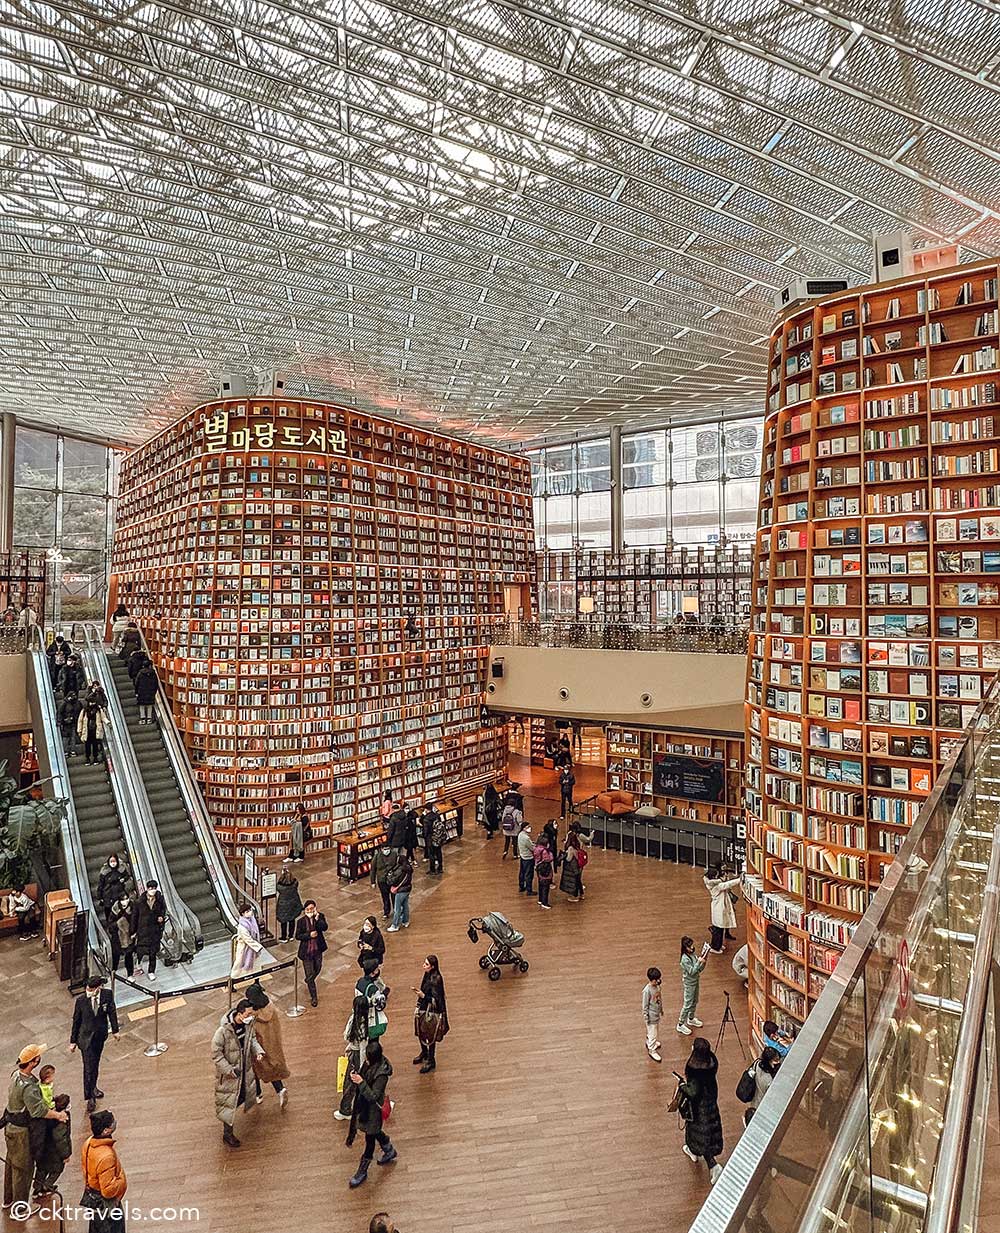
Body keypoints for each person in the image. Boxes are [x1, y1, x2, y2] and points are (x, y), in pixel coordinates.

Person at [3, 1045, 68, 1216]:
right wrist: (58, 1116)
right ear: (32, 1062)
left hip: (11, 1127)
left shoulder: (16, 1075)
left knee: (11, 1166)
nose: (39, 1059)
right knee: (23, 1170)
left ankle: (8, 1200)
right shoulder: (29, 1087)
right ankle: (20, 1209)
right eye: (37, 1057)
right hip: (21, 1133)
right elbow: (38, 1110)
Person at [211, 998, 264, 1148]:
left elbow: (252, 1039)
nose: (251, 1016)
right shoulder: (223, 1031)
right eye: (248, 1014)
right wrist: (228, 1070)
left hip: (243, 1070)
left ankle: (229, 1123)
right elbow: (216, 1054)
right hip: (230, 1074)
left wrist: (258, 1051)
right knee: (229, 1102)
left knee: (239, 1096)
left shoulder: (247, 1026)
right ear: (240, 1014)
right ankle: (227, 1134)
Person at [346, 1040, 397, 1189]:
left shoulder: (382, 1074)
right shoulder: (371, 1064)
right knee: (375, 1133)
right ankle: (389, 1149)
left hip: (373, 1111)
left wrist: (361, 1082)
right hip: (365, 1108)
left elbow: (374, 1096)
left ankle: (363, 1170)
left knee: (370, 1139)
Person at [70, 976, 121, 1113]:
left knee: (95, 1064)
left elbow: (112, 1012)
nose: (89, 991)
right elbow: (76, 1020)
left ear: (98, 988)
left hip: (99, 1036)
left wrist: (115, 1030)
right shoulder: (81, 1001)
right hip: (85, 1039)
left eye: (92, 989)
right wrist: (73, 1041)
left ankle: (93, 1086)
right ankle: (90, 1096)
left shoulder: (107, 995)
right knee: (88, 1067)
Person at [680, 1036, 724, 1184]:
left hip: (699, 1108)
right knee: (710, 1133)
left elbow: (693, 1092)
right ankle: (693, 1151)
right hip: (711, 1102)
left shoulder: (694, 1069)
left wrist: (682, 1086)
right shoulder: (712, 1062)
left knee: (700, 1134)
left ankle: (712, 1164)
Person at [80, 1108, 127, 1232]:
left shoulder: (88, 1143)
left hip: (92, 1197)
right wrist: (122, 1180)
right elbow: (108, 1190)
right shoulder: (106, 1156)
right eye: (112, 1123)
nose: (115, 1123)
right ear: (106, 1130)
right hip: (106, 1204)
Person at [245, 982, 289, 1109]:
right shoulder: (270, 1007)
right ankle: (280, 1089)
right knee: (271, 1067)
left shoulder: (254, 1015)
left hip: (259, 1045)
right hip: (273, 1043)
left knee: (255, 1068)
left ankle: (258, 1094)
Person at [334, 994, 371, 1122]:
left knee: (350, 1085)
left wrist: (361, 1067)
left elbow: (362, 1048)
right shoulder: (361, 1022)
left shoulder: (358, 1024)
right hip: (355, 1054)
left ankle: (346, 1110)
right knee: (353, 1085)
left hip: (356, 1058)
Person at [413, 954, 448, 1073]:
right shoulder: (427, 974)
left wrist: (423, 996)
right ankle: (424, 1052)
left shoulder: (436, 979)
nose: (424, 965)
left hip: (432, 1011)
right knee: (421, 1031)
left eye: (426, 964)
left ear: (432, 967)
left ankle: (431, 1060)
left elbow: (437, 1000)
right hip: (423, 1007)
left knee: (430, 1034)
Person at [32, 1093, 71, 1199]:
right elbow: (61, 1139)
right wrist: (66, 1155)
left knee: (41, 1169)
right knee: (57, 1170)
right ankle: (47, 1186)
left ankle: (37, 1188)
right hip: (54, 1152)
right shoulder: (62, 1120)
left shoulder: (49, 1113)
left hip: (43, 1148)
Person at [295, 899, 328, 1007]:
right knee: (309, 972)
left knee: (318, 968)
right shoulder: (301, 921)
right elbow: (298, 936)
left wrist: (318, 919)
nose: (310, 911)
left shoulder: (320, 917)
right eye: (308, 909)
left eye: (312, 909)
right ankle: (314, 996)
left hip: (317, 950)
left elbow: (325, 927)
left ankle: (309, 980)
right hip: (306, 952)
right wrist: (309, 935)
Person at [130, 880, 165, 980]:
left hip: (155, 930)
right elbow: (134, 917)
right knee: (141, 950)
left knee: (153, 952)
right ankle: (139, 963)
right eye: (150, 888)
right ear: (147, 888)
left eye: (154, 888)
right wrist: (133, 931)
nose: (152, 890)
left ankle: (151, 971)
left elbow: (163, 910)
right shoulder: (139, 902)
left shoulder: (159, 899)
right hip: (143, 929)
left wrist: (161, 918)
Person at [704, 864, 742, 953]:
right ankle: (715, 947)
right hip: (719, 908)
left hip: (719, 906)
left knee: (719, 928)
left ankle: (718, 945)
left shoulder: (713, 883)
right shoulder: (716, 886)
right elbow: (727, 885)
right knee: (718, 929)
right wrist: (739, 880)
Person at [740, 1046, 782, 1127]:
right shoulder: (769, 1080)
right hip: (763, 1109)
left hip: (754, 1104)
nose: (778, 1062)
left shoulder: (757, 1064)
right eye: (775, 1060)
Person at [677, 935, 708, 1036]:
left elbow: (699, 970)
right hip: (689, 983)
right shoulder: (684, 959)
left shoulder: (693, 955)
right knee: (688, 1004)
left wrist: (703, 962)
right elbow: (692, 971)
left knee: (695, 1001)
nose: (692, 948)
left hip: (696, 981)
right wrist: (699, 962)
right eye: (690, 946)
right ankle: (680, 1024)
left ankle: (691, 1018)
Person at [230, 902, 263, 979]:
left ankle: (257, 982)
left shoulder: (252, 919)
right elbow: (248, 939)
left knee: (256, 967)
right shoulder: (242, 926)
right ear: (243, 914)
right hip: (244, 948)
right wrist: (258, 946)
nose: (250, 912)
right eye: (247, 912)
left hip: (253, 948)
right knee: (239, 965)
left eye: (250, 910)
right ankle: (233, 981)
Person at [371, 841, 401, 918]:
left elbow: (399, 866)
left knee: (394, 897)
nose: (386, 850)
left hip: (392, 880)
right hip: (382, 880)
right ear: (381, 849)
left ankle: (396, 911)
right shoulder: (377, 856)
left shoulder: (394, 855)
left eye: (388, 849)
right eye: (385, 849)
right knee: (385, 897)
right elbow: (373, 870)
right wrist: (373, 881)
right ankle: (386, 912)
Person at [108, 894, 135, 978]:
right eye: (123, 899)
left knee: (129, 955)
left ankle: (130, 974)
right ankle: (113, 972)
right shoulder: (115, 910)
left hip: (129, 936)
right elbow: (110, 925)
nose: (125, 901)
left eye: (127, 899)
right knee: (116, 956)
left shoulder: (133, 907)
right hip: (117, 936)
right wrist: (119, 924)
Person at [97, 854, 128, 925]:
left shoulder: (121, 869)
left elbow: (127, 876)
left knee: (119, 909)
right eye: (111, 861)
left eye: (114, 861)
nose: (113, 863)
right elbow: (101, 884)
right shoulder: (105, 871)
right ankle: (110, 924)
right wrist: (100, 896)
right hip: (107, 894)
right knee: (109, 910)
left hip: (119, 893)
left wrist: (123, 879)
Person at [275, 868, 303, 942]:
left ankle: (283, 937)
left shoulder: (281, 887)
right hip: (293, 903)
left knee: (283, 921)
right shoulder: (294, 884)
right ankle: (291, 936)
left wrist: (283, 874)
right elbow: (296, 881)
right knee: (292, 919)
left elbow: (277, 886)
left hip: (283, 904)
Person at [642, 967, 663, 1063]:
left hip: (656, 1014)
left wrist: (661, 1009)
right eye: (656, 979)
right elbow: (645, 1005)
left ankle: (650, 1041)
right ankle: (652, 1049)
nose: (658, 981)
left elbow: (659, 999)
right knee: (653, 1033)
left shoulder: (657, 987)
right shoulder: (647, 991)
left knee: (653, 1031)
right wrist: (646, 1017)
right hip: (651, 1016)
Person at [387, 856, 413, 932]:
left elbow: (393, 880)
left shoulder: (401, 870)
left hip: (400, 890)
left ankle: (395, 925)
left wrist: (389, 876)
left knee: (397, 908)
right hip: (407, 889)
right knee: (405, 905)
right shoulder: (408, 868)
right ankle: (406, 921)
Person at [78, 698, 107, 766]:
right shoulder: (84, 711)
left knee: (95, 745)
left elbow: (103, 717)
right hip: (87, 731)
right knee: (87, 746)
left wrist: (107, 722)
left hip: (95, 731)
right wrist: (79, 730)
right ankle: (87, 758)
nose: (92, 704)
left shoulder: (98, 710)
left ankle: (95, 758)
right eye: (91, 702)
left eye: (93, 702)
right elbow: (80, 720)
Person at [558, 833, 583, 902]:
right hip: (578, 866)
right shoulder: (578, 845)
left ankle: (575, 896)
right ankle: (581, 894)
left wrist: (564, 855)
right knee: (578, 880)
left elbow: (569, 858)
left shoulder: (570, 848)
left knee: (573, 882)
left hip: (572, 868)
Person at [133, 661, 158, 725]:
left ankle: (143, 719)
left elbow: (137, 683)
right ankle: (149, 719)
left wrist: (136, 692)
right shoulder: (153, 673)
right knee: (150, 705)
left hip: (141, 691)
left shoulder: (140, 673)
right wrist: (154, 691)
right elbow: (156, 683)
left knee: (142, 705)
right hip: (151, 692)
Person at [534, 834, 554, 910]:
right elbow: (549, 859)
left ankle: (540, 899)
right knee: (546, 886)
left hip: (539, 868)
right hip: (545, 869)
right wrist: (550, 853)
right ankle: (544, 902)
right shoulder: (545, 851)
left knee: (540, 884)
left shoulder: (536, 849)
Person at [516, 820, 534, 894]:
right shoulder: (526, 838)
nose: (529, 828)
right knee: (529, 874)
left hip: (523, 856)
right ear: (524, 828)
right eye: (527, 827)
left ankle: (521, 886)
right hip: (528, 857)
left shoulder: (520, 835)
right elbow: (532, 848)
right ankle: (529, 890)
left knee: (522, 872)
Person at [428, 806, 446, 875]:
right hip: (439, 840)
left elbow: (428, 832)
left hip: (433, 840)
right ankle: (440, 867)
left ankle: (432, 869)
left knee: (432, 854)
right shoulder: (438, 819)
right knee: (439, 853)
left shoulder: (430, 821)